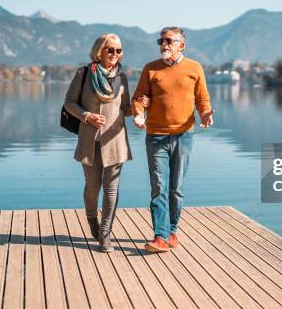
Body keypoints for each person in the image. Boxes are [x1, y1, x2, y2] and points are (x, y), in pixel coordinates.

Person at [132, 26, 214, 253]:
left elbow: (202, 98)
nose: (163, 45)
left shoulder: (194, 68)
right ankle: (160, 236)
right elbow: (140, 97)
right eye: (160, 41)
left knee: (176, 188)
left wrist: (206, 113)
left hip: (184, 135)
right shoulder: (150, 69)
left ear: (181, 44)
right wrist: (139, 113)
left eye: (168, 40)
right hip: (156, 136)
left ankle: (172, 230)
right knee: (159, 187)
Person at [64, 33, 140, 252]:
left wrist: (138, 107)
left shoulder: (122, 78)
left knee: (111, 188)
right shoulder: (84, 73)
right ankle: (91, 219)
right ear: (99, 51)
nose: (115, 54)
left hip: (115, 140)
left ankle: (105, 233)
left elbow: (124, 109)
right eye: (111, 49)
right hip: (89, 139)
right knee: (92, 187)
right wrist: (87, 116)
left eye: (119, 50)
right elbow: (69, 103)